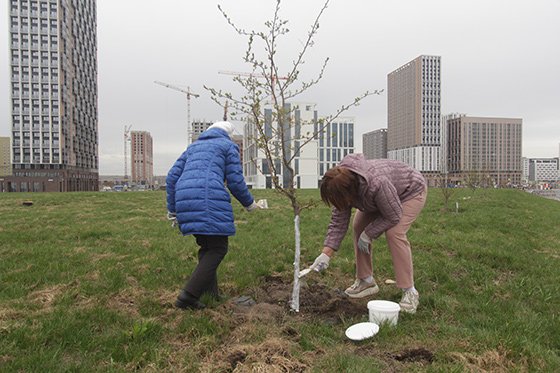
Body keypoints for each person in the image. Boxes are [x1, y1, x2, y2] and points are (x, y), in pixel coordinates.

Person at [309, 153, 427, 314]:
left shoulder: (377, 183)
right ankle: (366, 281)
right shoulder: (342, 185)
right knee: (358, 226)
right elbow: (338, 222)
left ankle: (409, 291)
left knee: (394, 233)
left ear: (350, 193)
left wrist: (369, 234)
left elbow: (393, 215)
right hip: (376, 199)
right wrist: (326, 253)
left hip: (410, 191)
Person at [166, 121, 261, 310]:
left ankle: (210, 293)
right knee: (218, 248)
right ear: (229, 134)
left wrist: (173, 210)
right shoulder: (227, 146)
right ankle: (188, 297)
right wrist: (250, 204)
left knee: (207, 246)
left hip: (185, 199)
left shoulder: (192, 147)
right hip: (207, 198)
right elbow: (235, 181)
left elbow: (171, 178)